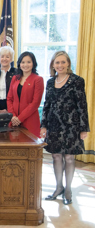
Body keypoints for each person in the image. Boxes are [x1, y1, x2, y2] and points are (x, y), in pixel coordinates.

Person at [41, 51, 89, 205]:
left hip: (72, 126)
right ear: (53, 65)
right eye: (57, 62)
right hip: (54, 125)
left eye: (63, 62)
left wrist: (84, 128)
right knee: (56, 156)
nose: (60, 65)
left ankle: (68, 190)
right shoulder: (50, 82)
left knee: (69, 157)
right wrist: (44, 125)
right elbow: (47, 105)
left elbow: (82, 105)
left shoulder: (77, 81)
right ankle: (58, 187)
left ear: (68, 63)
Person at [7, 51, 44, 138]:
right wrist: (13, 116)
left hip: (29, 120)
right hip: (14, 120)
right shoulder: (15, 78)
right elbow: (9, 98)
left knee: (30, 149)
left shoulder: (38, 79)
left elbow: (35, 103)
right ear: (19, 64)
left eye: (28, 62)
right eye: (23, 62)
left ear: (33, 63)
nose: (25, 65)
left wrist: (20, 118)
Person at [0, 46, 16, 114]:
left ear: (11, 59)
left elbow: (18, 93)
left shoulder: (16, 73)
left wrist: (9, 109)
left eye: (7, 57)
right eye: (2, 56)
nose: (4, 59)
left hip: (12, 108)